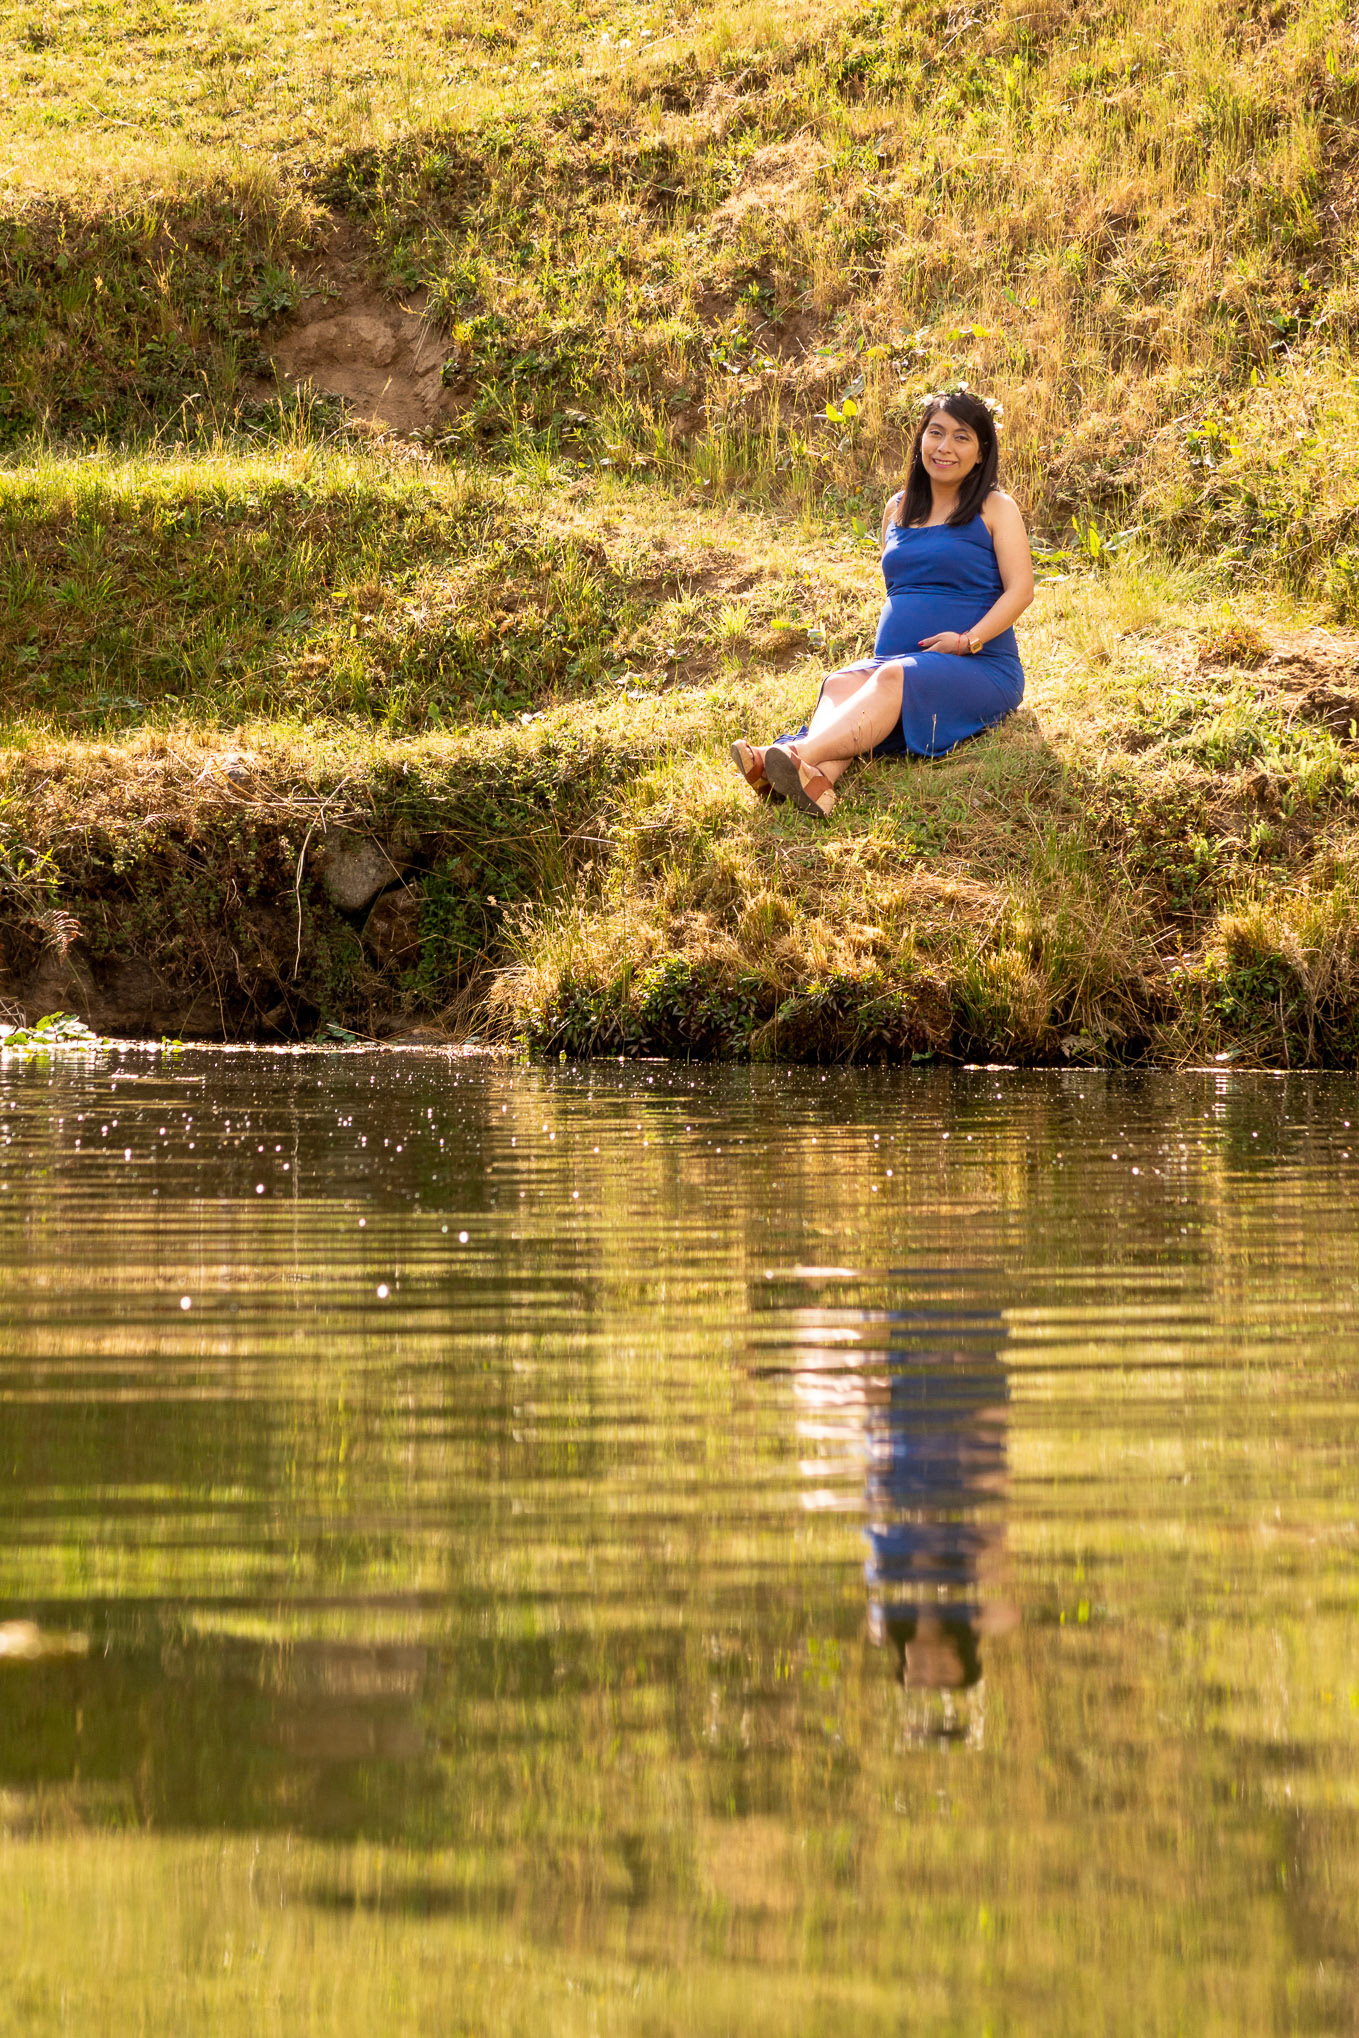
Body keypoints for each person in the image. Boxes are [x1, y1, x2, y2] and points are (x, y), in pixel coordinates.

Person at [732, 388, 1035, 818]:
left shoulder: (995, 507)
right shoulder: (897, 507)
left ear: (981, 452)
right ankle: (818, 783)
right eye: (936, 433)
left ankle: (793, 753)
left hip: (980, 665)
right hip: (900, 663)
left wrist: (967, 640)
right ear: (921, 439)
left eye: (961, 437)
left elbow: (1021, 590)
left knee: (892, 677)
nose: (944, 447)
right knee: (839, 683)